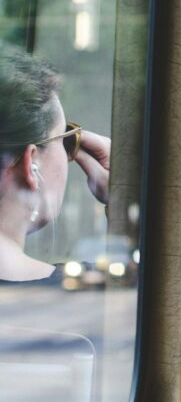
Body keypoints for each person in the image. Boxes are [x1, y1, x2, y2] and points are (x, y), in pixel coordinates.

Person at [0, 48, 110, 283]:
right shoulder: (78, 298)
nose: (71, 152)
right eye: (66, 139)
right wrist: (132, 198)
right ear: (32, 164)